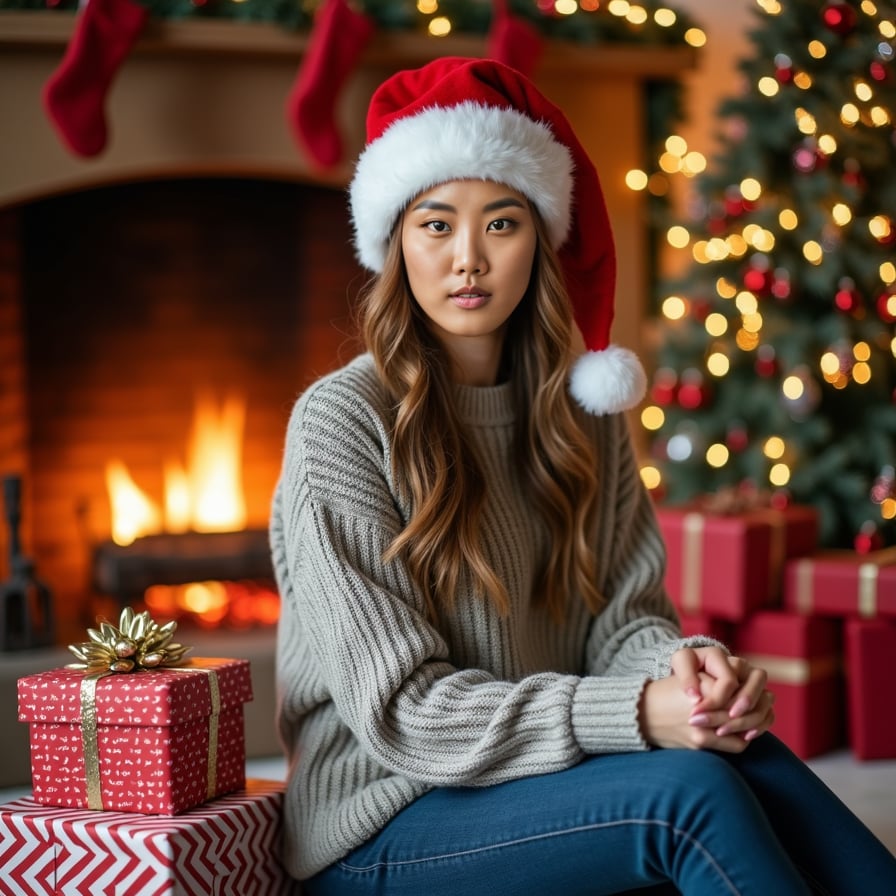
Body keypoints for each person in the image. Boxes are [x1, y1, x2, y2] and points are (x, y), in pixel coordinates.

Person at [270, 56, 896, 896]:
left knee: (751, 757)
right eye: (435, 224)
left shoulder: (584, 412)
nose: (468, 260)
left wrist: (689, 677)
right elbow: (402, 715)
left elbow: (623, 623)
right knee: (688, 797)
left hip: (530, 783)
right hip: (386, 821)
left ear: (540, 237)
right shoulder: (339, 423)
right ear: (394, 241)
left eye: (500, 224)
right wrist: (636, 715)